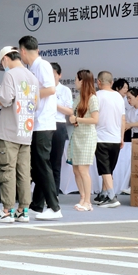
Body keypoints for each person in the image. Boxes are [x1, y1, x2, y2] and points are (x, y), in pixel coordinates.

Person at [0, 46, 38, 223]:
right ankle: (23, 210)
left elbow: (6, 99)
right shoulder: (31, 76)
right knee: (24, 172)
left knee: (6, 169)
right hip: (25, 131)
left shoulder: (10, 75)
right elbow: (36, 104)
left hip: (9, 131)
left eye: (3, 63)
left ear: (5, 59)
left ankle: (7, 210)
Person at [18, 36, 61, 220]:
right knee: (37, 165)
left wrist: (30, 95)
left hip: (43, 123)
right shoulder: (33, 67)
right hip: (36, 122)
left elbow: (51, 89)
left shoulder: (42, 65)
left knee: (42, 164)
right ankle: (37, 205)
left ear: (23, 51)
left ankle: (54, 207)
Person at [69, 69, 99, 212]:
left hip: (87, 136)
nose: (75, 81)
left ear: (83, 81)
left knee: (83, 169)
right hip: (77, 134)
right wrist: (75, 121)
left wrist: (77, 119)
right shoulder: (78, 97)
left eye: (76, 79)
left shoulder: (92, 98)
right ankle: (82, 197)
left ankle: (88, 201)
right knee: (76, 169)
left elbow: (95, 119)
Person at [93, 71, 124, 208]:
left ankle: (111, 196)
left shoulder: (96, 96)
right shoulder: (118, 97)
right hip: (116, 138)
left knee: (105, 169)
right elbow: (123, 118)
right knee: (109, 169)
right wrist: (122, 137)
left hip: (101, 137)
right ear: (112, 83)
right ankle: (104, 193)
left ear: (98, 82)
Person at [113, 87, 138, 195]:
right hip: (133, 136)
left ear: (137, 97)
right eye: (127, 98)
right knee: (134, 161)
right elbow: (126, 124)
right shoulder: (130, 111)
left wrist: (130, 125)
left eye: (130, 98)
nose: (128, 101)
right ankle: (132, 185)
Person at [50, 62, 73, 195]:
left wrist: (55, 104)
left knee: (56, 162)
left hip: (58, 125)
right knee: (42, 161)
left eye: (54, 75)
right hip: (43, 126)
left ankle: (54, 194)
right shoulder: (42, 88)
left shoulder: (65, 90)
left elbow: (69, 111)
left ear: (59, 75)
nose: (51, 78)